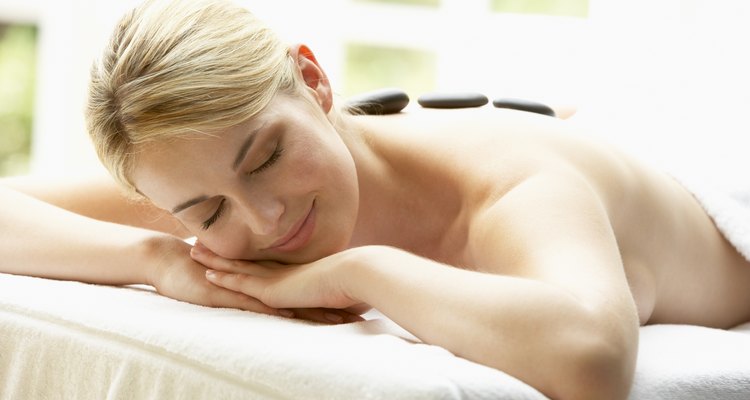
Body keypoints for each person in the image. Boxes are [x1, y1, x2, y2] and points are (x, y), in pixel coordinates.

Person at [6, 0, 750, 399]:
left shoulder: (510, 183)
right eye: (206, 213)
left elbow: (589, 362)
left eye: (267, 155)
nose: (262, 219)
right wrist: (157, 256)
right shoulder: (203, 176)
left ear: (315, 79)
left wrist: (360, 271)